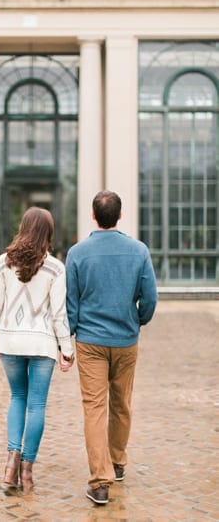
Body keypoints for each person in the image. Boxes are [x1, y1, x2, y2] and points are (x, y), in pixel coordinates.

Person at [65, 191, 157, 505]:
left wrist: (74, 331)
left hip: (90, 341)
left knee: (94, 409)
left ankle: (99, 483)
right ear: (120, 216)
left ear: (93, 216)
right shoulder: (139, 250)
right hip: (125, 340)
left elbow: (71, 303)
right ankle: (117, 463)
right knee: (122, 404)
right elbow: (150, 298)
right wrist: (136, 320)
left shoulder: (77, 253)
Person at [0, 207, 74, 494]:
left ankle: (10, 464)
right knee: (36, 405)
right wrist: (67, 349)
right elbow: (58, 314)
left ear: (23, 227)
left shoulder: (3, 263)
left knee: (17, 397)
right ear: (48, 233)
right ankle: (26, 471)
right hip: (42, 343)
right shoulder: (55, 267)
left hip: (11, 341)